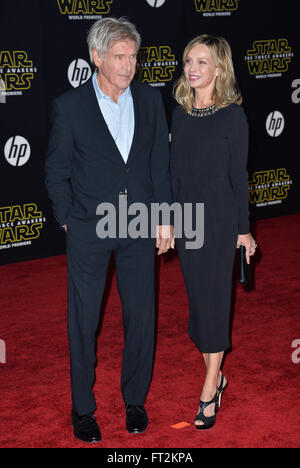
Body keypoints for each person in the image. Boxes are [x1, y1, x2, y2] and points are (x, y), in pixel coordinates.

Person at [45, 17, 174, 443]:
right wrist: (68, 219)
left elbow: (159, 165)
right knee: (84, 321)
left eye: (133, 56)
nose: (128, 64)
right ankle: (83, 408)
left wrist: (165, 217)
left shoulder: (150, 99)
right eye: (119, 56)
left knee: (141, 317)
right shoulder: (70, 106)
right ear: (96, 57)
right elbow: (56, 170)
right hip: (88, 229)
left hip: (138, 224)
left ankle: (135, 401)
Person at [170, 34, 257, 430]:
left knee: (216, 303)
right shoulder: (179, 113)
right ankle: (218, 374)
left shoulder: (232, 116)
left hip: (220, 223)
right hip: (187, 223)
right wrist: (169, 220)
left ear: (219, 68)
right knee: (200, 306)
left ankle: (209, 390)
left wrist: (244, 231)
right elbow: (174, 175)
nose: (193, 68)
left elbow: (240, 178)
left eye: (202, 62)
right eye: (189, 60)